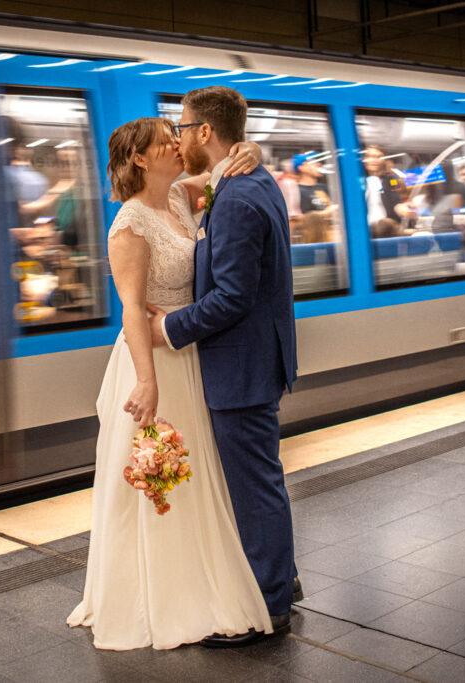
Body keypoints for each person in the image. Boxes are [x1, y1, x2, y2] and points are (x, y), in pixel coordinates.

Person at [67, 116, 272, 650]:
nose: (178, 146)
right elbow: (132, 310)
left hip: (192, 355)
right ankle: (159, 593)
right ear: (139, 158)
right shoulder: (129, 224)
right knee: (160, 479)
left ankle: (202, 578)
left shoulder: (181, 196)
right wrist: (146, 381)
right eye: (166, 142)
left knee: (197, 476)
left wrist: (249, 149)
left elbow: (226, 166)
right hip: (154, 363)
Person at [149, 86, 301, 647]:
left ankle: (268, 603)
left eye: (184, 128)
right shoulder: (245, 181)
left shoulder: (236, 196)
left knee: (255, 484)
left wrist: (166, 328)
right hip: (252, 359)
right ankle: (279, 578)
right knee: (258, 477)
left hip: (240, 365)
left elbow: (233, 297)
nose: (181, 138)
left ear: (206, 133)